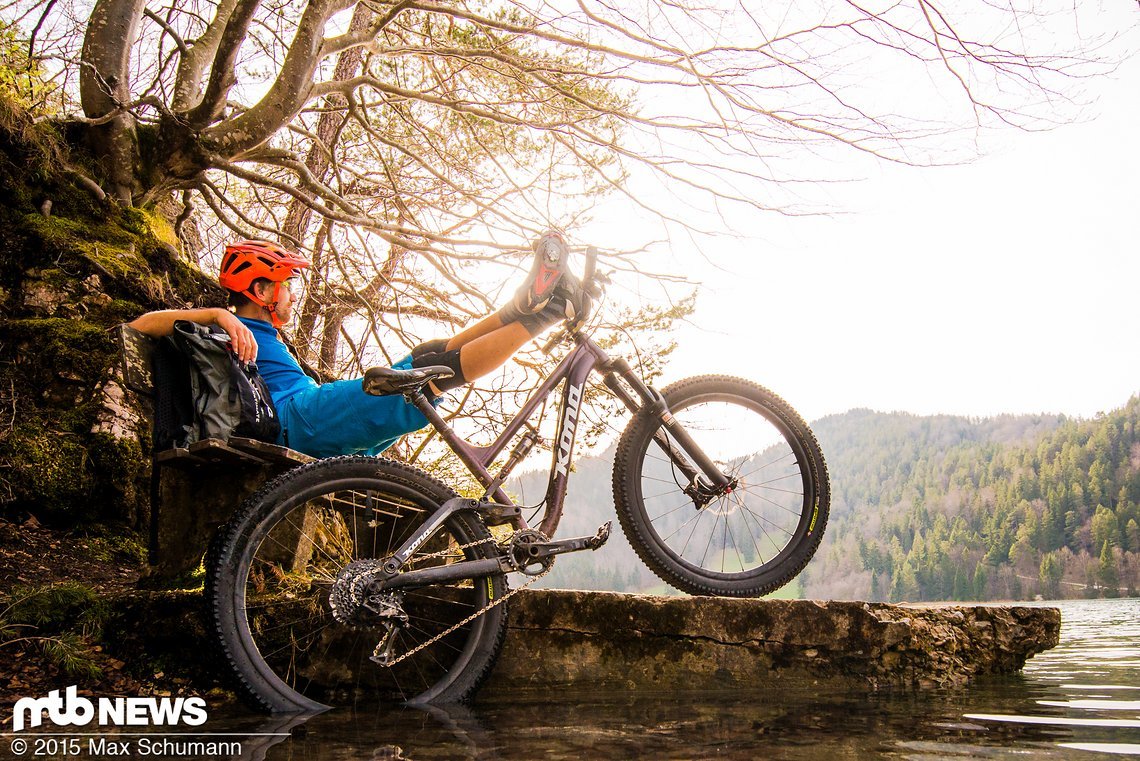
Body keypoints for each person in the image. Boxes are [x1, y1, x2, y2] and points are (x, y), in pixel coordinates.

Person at [128, 234, 581, 458]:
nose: (292, 293)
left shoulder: (263, 336)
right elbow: (142, 325)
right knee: (427, 381)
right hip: (297, 418)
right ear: (262, 291)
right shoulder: (230, 328)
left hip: (306, 417)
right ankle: (549, 311)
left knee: (426, 360)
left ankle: (521, 307)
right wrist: (218, 315)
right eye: (286, 284)